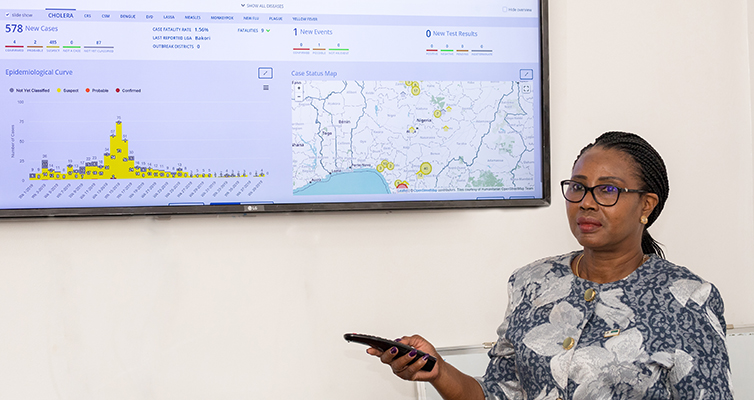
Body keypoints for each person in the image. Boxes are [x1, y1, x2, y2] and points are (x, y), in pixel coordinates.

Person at [367, 132, 733, 399]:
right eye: (578, 187)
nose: (586, 203)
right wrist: (438, 370)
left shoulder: (688, 299)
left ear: (646, 206)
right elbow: (498, 393)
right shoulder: (533, 283)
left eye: (607, 190)